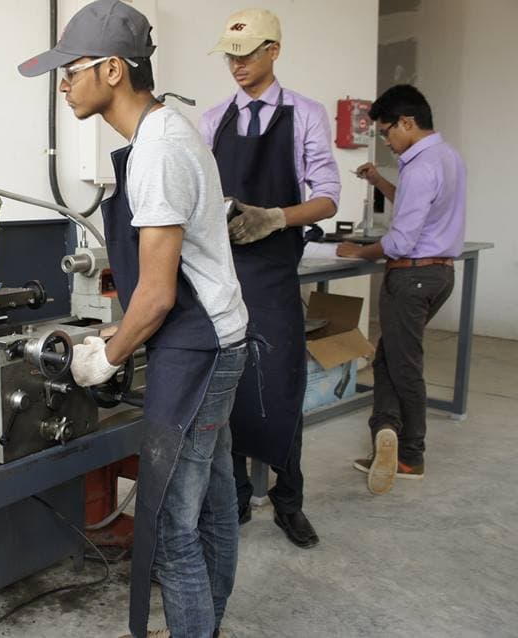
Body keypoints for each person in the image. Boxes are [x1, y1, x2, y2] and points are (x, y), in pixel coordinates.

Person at [19, 2, 248, 636]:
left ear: (113, 70)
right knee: (215, 506)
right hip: (216, 339)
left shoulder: (158, 151)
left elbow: (156, 297)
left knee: (173, 529)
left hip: (199, 351)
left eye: (71, 71)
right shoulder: (162, 135)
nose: (62, 85)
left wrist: (106, 355)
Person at [198, 8, 340, 550]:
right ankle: (233, 495)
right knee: (229, 385)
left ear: (273, 51)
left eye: (248, 53)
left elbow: (328, 195)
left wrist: (276, 217)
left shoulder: (305, 114)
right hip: (224, 277)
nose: (237, 64)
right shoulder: (213, 120)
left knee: (282, 386)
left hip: (276, 273)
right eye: (230, 55)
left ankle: (289, 500)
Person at [337, 84, 465, 495]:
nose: (387, 141)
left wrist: (358, 251)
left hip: (411, 277)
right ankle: (385, 436)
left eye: (387, 131)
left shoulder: (420, 165)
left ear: (407, 123)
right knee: (391, 358)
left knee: (402, 364)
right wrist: (378, 180)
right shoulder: (448, 158)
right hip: (440, 276)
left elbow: (398, 243)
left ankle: (410, 452)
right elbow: (416, 206)